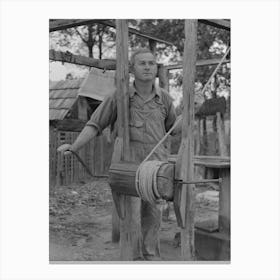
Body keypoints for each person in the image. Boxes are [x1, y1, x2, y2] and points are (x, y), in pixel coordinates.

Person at [57, 48, 178, 260]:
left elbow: (174, 130)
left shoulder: (165, 99)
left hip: (156, 169)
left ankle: (151, 260)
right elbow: (95, 124)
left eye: (152, 63)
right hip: (127, 167)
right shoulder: (119, 97)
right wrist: (74, 146)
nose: (148, 67)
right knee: (130, 219)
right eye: (143, 63)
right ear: (132, 68)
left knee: (153, 217)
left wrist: (192, 109)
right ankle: (131, 262)